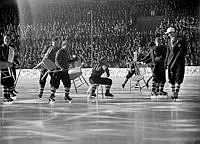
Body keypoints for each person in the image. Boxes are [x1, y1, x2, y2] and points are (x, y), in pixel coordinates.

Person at [165, 27, 187, 100]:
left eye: (169, 33)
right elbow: (168, 52)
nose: (169, 35)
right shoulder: (168, 41)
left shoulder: (181, 40)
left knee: (178, 77)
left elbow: (184, 51)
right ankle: (173, 91)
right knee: (171, 78)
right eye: (168, 34)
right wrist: (166, 62)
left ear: (173, 33)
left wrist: (178, 58)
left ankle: (176, 93)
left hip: (179, 62)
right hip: (171, 62)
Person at [0, 34, 16, 103]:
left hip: (9, 66)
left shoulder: (11, 48)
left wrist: (16, 62)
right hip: (3, 65)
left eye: (8, 39)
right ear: (3, 40)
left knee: (10, 80)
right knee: (5, 81)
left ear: (10, 40)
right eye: (5, 39)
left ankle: (8, 95)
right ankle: (5, 97)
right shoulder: (0, 47)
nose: (7, 40)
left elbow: (13, 58)